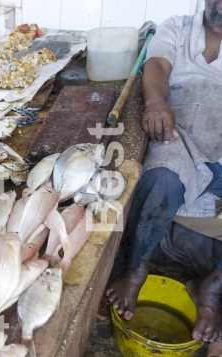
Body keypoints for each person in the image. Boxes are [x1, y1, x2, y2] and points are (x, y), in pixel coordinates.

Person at [105, 0, 222, 344]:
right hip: (179, 134)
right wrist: (156, 102)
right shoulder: (178, 26)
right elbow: (156, 64)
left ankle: (212, 287)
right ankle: (137, 266)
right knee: (162, 178)